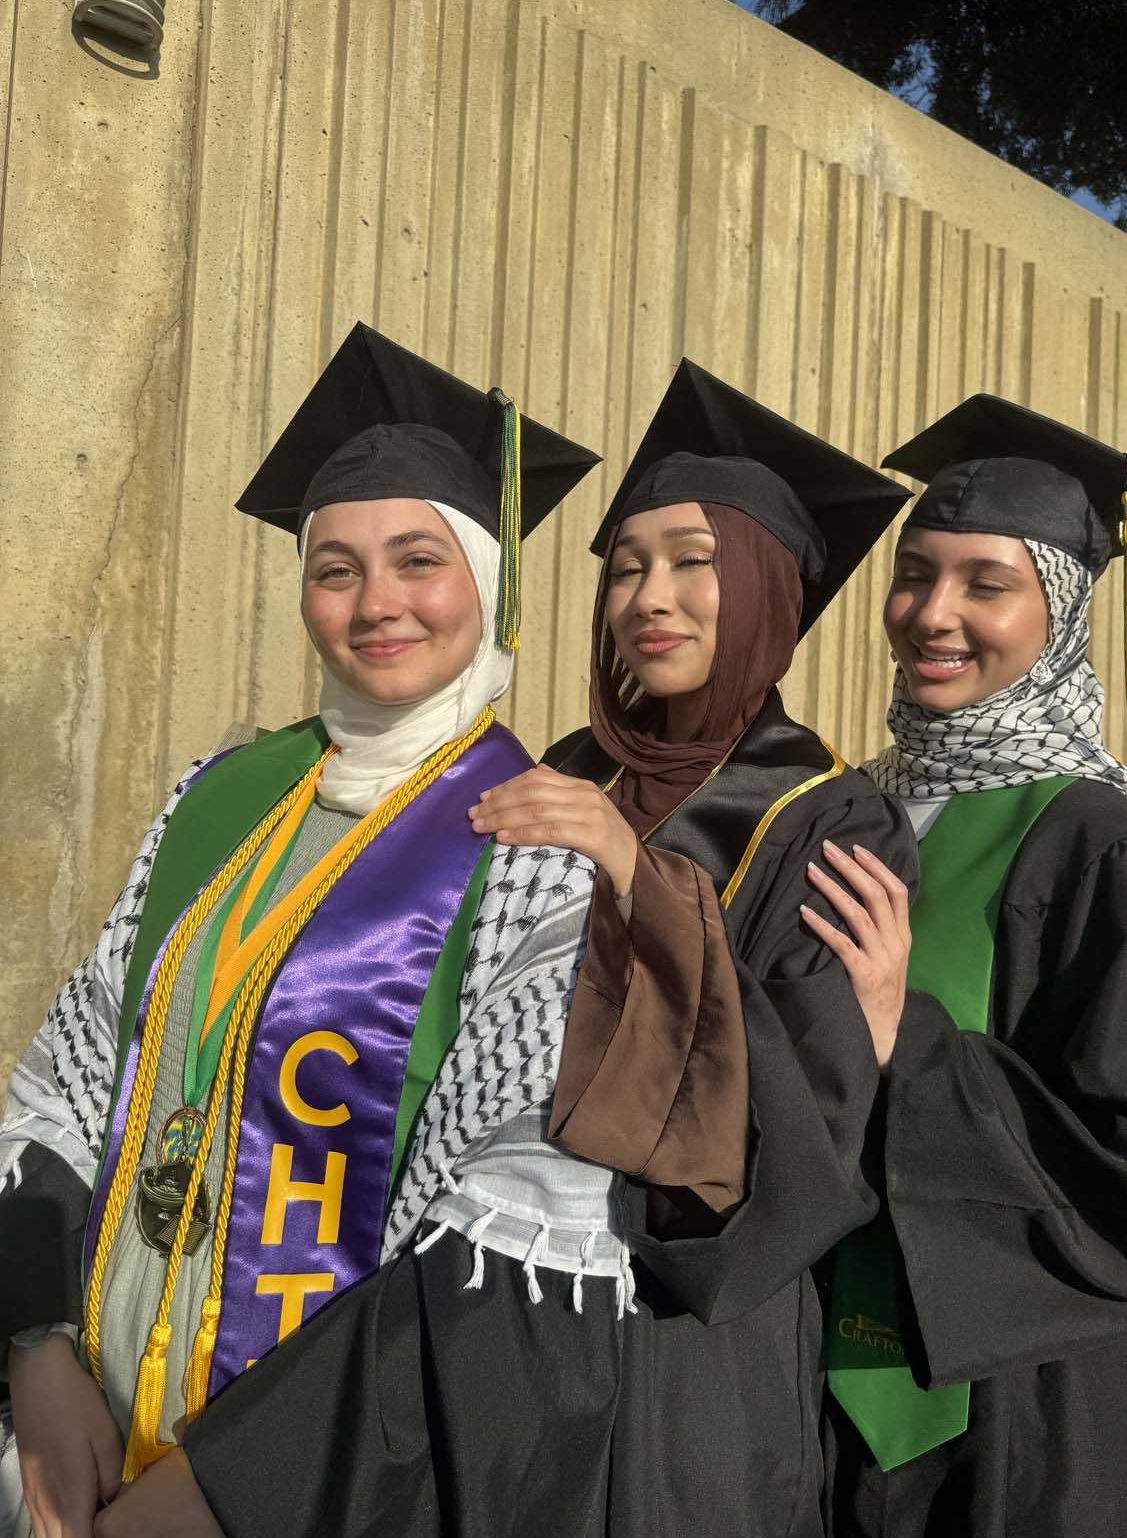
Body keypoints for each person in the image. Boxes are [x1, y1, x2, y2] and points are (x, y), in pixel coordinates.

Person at [139, 359, 921, 1537]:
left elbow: (798, 1129)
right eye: (625, 567)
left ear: (768, 588)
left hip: (686, 1352)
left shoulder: (828, 815)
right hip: (469, 1302)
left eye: (694, 562)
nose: (650, 596)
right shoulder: (558, 766)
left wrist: (633, 869)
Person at [0, 321, 602, 1538]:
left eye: (418, 560)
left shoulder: (538, 850)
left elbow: (497, 1232)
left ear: (487, 586)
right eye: (336, 568)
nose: (375, 603)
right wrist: (37, 1350)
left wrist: (223, 1487)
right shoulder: (213, 797)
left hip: (311, 1489)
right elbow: (66, 1075)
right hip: (79, 1446)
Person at [810, 394, 1127, 1537]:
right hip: (811, 1366)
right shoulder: (849, 805)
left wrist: (907, 1038)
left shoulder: (1105, 841)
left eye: (987, 584)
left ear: (1062, 615)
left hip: (1036, 1398)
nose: (934, 615)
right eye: (915, 574)